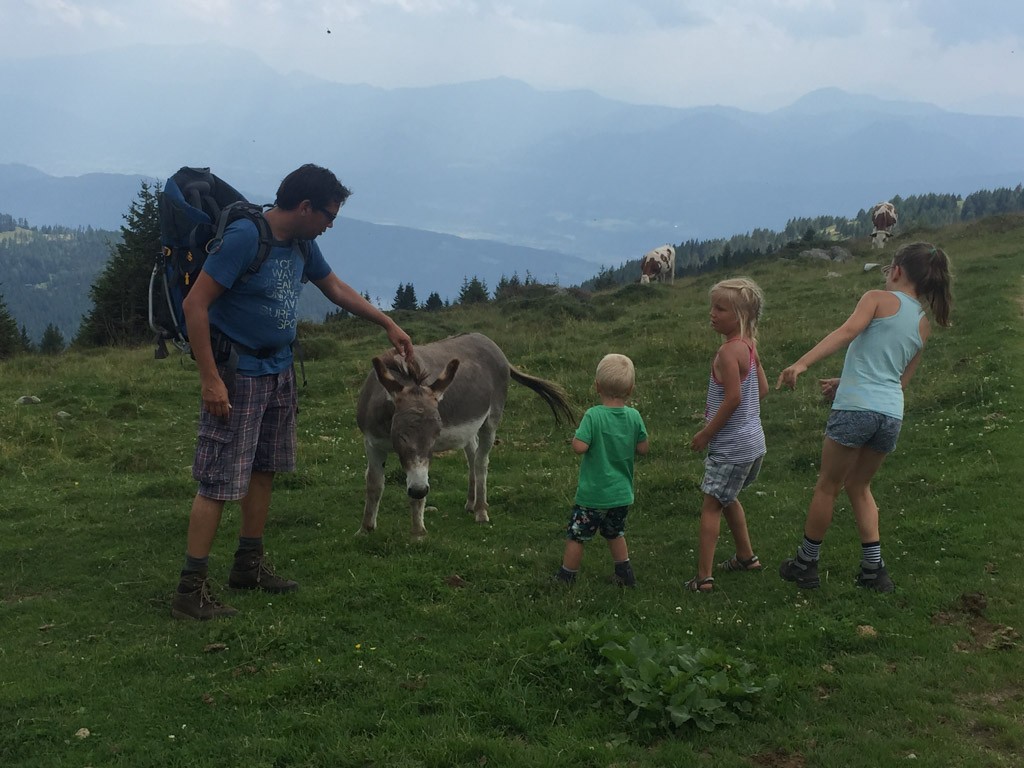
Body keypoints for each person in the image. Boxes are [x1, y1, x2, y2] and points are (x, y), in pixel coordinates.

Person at [171, 164, 414, 621]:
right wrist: (209, 378)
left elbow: (335, 288)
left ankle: (248, 564)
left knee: (264, 468)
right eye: (328, 215)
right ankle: (190, 590)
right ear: (304, 207)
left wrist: (386, 323)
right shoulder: (246, 238)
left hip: (279, 370)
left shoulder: (303, 243)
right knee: (220, 481)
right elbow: (194, 304)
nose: (329, 225)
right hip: (238, 374)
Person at [776, 242, 953, 592]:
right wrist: (846, 380)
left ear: (896, 270)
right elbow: (896, 380)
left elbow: (846, 333)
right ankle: (874, 572)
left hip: (856, 408)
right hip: (890, 415)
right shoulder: (922, 325)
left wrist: (802, 363)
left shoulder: (876, 298)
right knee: (860, 486)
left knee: (828, 485)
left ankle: (806, 563)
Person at [686, 278, 768, 593]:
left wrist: (707, 433)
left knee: (711, 506)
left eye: (720, 308)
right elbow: (760, 389)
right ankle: (746, 557)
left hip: (730, 448)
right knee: (727, 496)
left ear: (740, 316)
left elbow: (732, 398)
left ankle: (703, 578)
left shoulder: (726, 353)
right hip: (754, 444)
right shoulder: (749, 345)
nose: (712, 313)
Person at [556, 354, 649, 587]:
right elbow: (643, 448)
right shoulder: (634, 416)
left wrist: (576, 439)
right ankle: (624, 574)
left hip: (593, 495)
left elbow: (579, 447)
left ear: (597, 386)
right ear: (631, 389)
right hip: (620, 494)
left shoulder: (593, 415)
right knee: (615, 533)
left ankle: (566, 577)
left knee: (577, 535)